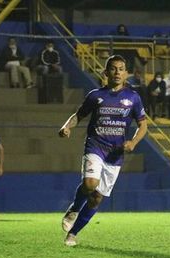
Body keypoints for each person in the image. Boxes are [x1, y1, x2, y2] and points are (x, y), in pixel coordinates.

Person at [58, 55, 147, 246]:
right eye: (113, 69)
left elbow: (143, 125)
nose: (117, 72)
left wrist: (133, 142)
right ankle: (74, 208)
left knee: (97, 198)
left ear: (126, 74)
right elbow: (78, 115)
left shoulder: (133, 98)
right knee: (90, 184)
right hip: (95, 146)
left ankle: (73, 233)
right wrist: (67, 127)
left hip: (115, 154)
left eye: (121, 69)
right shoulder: (95, 95)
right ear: (105, 72)